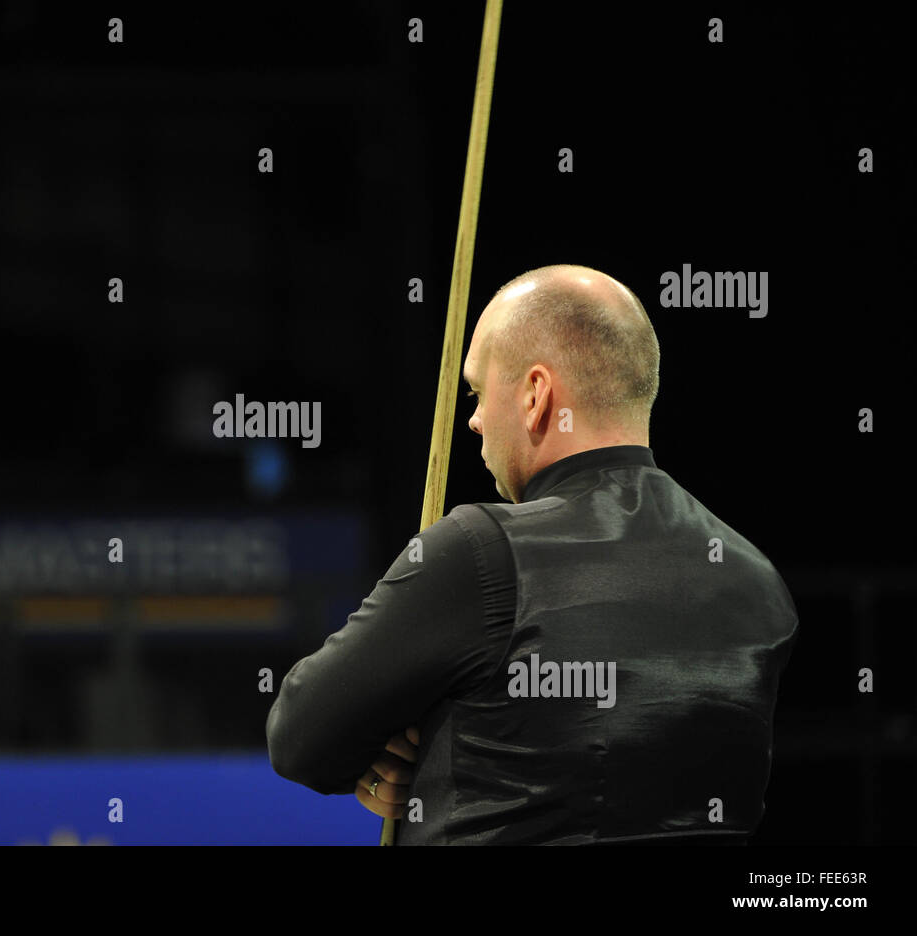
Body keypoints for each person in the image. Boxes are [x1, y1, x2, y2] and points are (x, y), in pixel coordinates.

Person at [265, 264, 799, 844]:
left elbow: (300, 737)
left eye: (476, 389)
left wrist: (392, 756)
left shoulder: (478, 553)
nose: (471, 418)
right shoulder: (757, 580)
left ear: (536, 395)